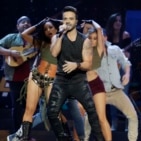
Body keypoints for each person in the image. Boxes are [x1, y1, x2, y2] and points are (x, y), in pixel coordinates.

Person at [6, 18, 85, 141]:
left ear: (56, 28)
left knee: (54, 112)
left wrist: (58, 23)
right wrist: (40, 23)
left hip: (52, 81)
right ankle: (23, 137)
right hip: (37, 76)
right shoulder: (41, 43)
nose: (48, 30)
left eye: (50, 27)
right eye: (45, 28)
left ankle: (65, 137)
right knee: (29, 109)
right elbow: (24, 34)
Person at [47, 6, 104, 141]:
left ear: (76, 21)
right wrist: (61, 34)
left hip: (78, 81)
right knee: (52, 112)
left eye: (71, 19)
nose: (67, 21)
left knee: (91, 110)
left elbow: (88, 64)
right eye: (65, 19)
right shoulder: (57, 37)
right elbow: (54, 53)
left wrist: (76, 65)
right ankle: (64, 139)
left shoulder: (84, 40)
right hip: (61, 81)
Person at [84, 29, 139, 141]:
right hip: (98, 93)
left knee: (133, 115)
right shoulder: (90, 54)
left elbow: (126, 63)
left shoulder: (115, 50)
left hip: (115, 91)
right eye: (92, 38)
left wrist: (127, 74)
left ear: (105, 38)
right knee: (87, 119)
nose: (96, 41)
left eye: (98, 38)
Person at [0, 16, 34, 133]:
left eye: (28, 22)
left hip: (30, 79)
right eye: (22, 22)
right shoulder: (11, 38)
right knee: (17, 108)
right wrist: (10, 52)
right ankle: (16, 134)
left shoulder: (34, 40)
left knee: (29, 109)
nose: (26, 24)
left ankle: (26, 135)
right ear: (17, 26)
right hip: (14, 79)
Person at [82, 20, 112, 140]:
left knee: (101, 118)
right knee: (82, 118)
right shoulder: (82, 49)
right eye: (90, 37)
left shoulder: (99, 50)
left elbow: (99, 29)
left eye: (95, 38)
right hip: (82, 85)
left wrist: (91, 22)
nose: (93, 40)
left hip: (95, 83)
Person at [105, 12, 132, 131]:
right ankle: (114, 123)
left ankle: (127, 124)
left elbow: (127, 56)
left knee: (123, 97)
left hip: (122, 70)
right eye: (116, 21)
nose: (118, 23)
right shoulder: (106, 37)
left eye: (120, 21)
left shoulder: (125, 36)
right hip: (109, 70)